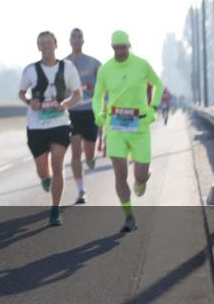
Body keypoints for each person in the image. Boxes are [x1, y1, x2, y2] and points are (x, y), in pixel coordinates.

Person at [92, 30, 164, 233]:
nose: (120, 51)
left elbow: (158, 84)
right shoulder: (105, 69)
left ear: (129, 46)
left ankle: (141, 180)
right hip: (115, 127)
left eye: (123, 47)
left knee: (140, 176)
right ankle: (128, 216)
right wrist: (98, 113)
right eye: (116, 48)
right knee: (120, 173)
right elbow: (97, 96)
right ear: (112, 48)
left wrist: (153, 108)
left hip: (139, 127)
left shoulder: (141, 65)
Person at [18, 31, 83, 226]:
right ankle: (45, 179)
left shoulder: (68, 68)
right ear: (38, 47)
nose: (46, 46)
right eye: (42, 43)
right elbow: (21, 93)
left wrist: (66, 104)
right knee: (43, 170)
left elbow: (77, 94)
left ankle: (55, 209)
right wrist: (30, 102)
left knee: (57, 164)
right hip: (36, 126)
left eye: (49, 43)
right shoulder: (30, 70)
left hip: (60, 123)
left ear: (56, 45)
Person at [65, 28, 102, 201]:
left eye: (80, 37)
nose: (77, 40)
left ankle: (91, 158)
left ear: (83, 41)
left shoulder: (94, 63)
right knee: (75, 152)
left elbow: (104, 84)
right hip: (72, 112)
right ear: (70, 41)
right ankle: (81, 190)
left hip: (90, 112)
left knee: (88, 153)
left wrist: (96, 91)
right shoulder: (63, 64)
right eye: (74, 37)